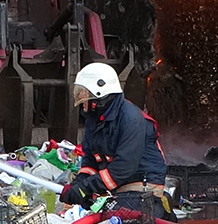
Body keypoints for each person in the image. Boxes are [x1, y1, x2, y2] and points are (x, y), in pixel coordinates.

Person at [59, 62, 168, 210]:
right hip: (119, 187)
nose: (80, 99)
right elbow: (91, 160)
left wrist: (86, 188)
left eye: (84, 94)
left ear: (99, 97)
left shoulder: (131, 120)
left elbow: (124, 168)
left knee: (109, 217)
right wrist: (79, 184)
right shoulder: (95, 119)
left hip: (143, 187)